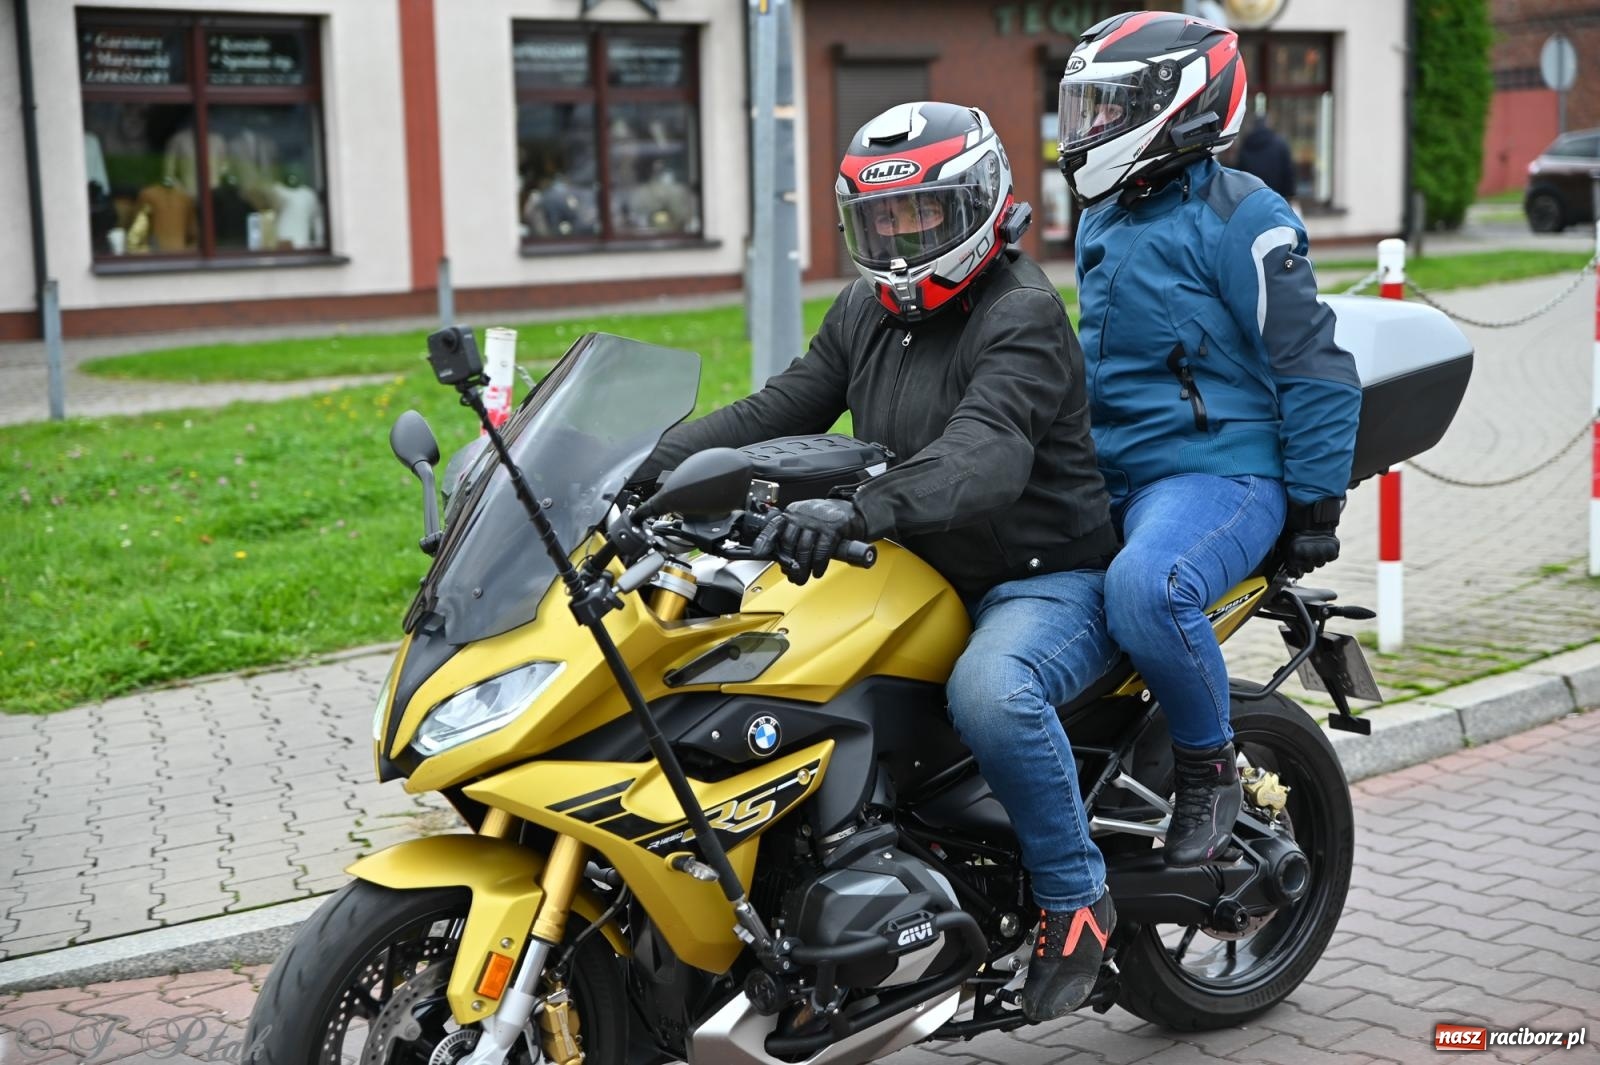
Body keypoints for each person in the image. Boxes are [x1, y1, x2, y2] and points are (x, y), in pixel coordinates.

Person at [636, 101, 1121, 1021]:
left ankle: (1077, 899)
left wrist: (860, 506)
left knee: (991, 692)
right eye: (881, 219)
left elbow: (984, 454)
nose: (900, 240)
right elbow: (776, 408)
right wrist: (638, 469)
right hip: (911, 565)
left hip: (1038, 576)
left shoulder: (1019, 312)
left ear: (977, 203)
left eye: (922, 213)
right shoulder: (865, 308)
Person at [1056, 12, 1361, 866]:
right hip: (1114, 470)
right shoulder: (1104, 217)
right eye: (1085, 107)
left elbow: (1315, 362)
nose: (1089, 128)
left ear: (1182, 104)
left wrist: (1316, 499)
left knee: (1147, 587)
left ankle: (1209, 767)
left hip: (1219, 472)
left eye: (1109, 107)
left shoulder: (1243, 216)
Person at [1236, 113, 1297, 203]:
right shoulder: (1280, 144)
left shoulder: (1245, 144)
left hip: (1251, 197)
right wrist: (1290, 195)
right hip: (1276, 198)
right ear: (1268, 124)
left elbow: (1240, 172)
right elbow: (1287, 172)